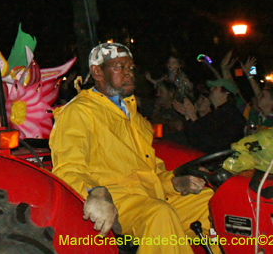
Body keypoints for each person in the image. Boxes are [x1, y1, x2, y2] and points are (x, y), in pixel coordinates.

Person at [50, 43, 215, 254]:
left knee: (210, 203)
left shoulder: (134, 117)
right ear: (97, 72)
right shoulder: (79, 112)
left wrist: (174, 183)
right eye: (120, 67)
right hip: (117, 201)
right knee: (159, 214)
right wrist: (96, 192)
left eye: (130, 68)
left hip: (149, 195)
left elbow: (151, 171)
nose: (128, 73)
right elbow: (68, 168)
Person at [175, 79, 245, 154]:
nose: (211, 89)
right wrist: (187, 116)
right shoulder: (214, 114)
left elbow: (214, 143)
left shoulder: (231, 115)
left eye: (215, 88)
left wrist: (194, 118)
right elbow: (195, 140)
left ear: (226, 93)